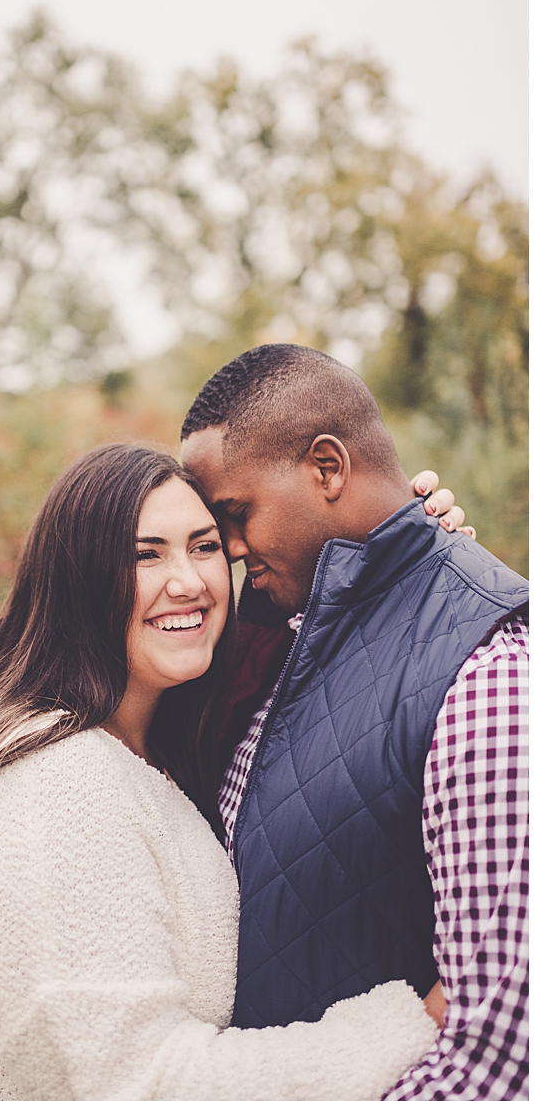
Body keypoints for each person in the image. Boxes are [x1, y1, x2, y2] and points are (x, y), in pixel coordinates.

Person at [0, 443, 445, 1100]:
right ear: (79, 578)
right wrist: (404, 1028)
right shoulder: (54, 782)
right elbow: (142, 1084)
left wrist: (401, 551)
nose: (187, 580)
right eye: (145, 553)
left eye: (205, 545)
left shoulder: (147, 748)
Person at [178, 344, 528, 1099]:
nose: (229, 552)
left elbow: (499, 1053)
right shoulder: (274, 634)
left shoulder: (489, 677)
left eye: (234, 516)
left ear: (328, 468)